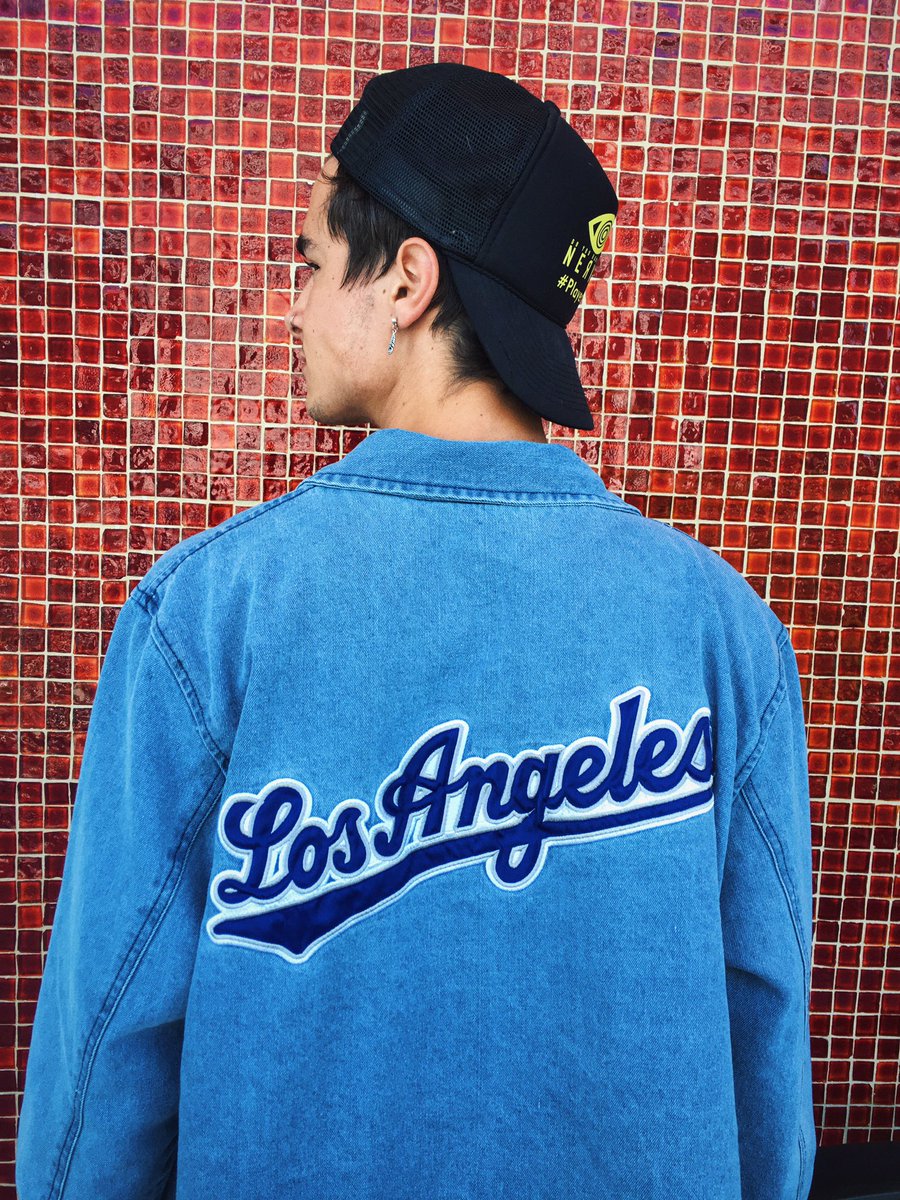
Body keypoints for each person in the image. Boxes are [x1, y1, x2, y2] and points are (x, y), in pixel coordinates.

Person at [16, 63, 816, 1199]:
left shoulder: (208, 617)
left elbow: (108, 1052)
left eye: (308, 262)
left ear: (406, 280)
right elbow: (766, 1052)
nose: (293, 305)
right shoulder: (728, 636)